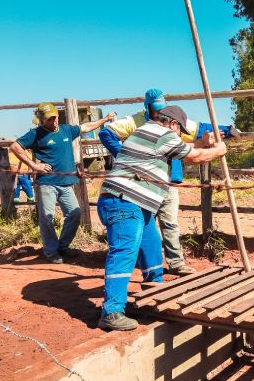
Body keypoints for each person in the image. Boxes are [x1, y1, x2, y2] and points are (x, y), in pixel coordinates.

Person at [97, 105, 227, 331]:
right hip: (124, 201)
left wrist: (205, 144)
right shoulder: (161, 133)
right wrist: (218, 150)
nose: (180, 135)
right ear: (173, 124)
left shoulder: (149, 132)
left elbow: (183, 148)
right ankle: (111, 312)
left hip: (135, 203)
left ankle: (153, 293)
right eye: (180, 131)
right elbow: (194, 156)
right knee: (124, 252)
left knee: (152, 246)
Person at [99, 88, 240, 276]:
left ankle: (175, 264)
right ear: (147, 107)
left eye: (161, 108)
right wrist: (126, 156)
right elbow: (106, 133)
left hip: (167, 182)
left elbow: (196, 136)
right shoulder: (134, 123)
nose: (159, 112)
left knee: (169, 223)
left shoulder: (173, 122)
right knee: (139, 229)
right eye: (155, 109)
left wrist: (227, 131)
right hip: (139, 186)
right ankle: (139, 270)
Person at [9, 102, 116, 263]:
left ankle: (63, 246)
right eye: (49, 119)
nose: (53, 121)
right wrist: (34, 166)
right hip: (47, 183)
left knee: (74, 213)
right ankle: (51, 252)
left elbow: (86, 127)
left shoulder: (66, 130)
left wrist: (106, 119)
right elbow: (15, 146)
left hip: (66, 183)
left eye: (54, 118)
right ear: (41, 119)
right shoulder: (35, 134)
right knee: (47, 217)